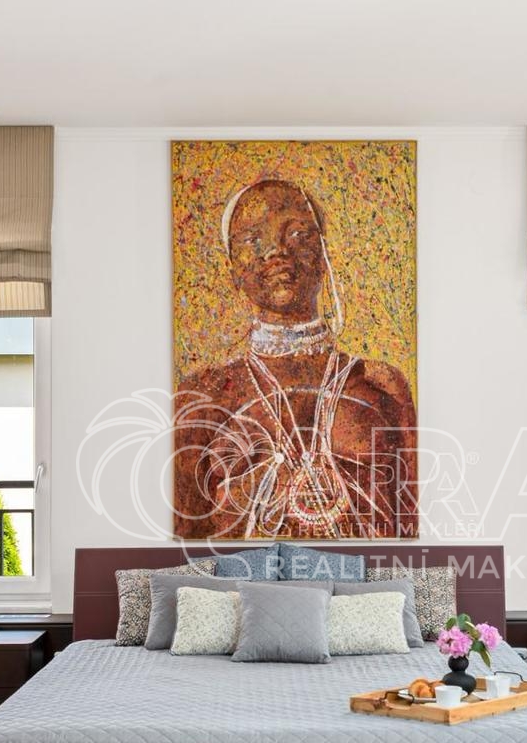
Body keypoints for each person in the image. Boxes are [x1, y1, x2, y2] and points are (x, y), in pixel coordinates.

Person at [173, 178, 416, 539]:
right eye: (252, 240)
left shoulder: (381, 387)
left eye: (298, 234)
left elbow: (408, 531)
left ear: (323, 255)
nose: (276, 250)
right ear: (233, 270)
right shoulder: (204, 396)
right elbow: (186, 545)